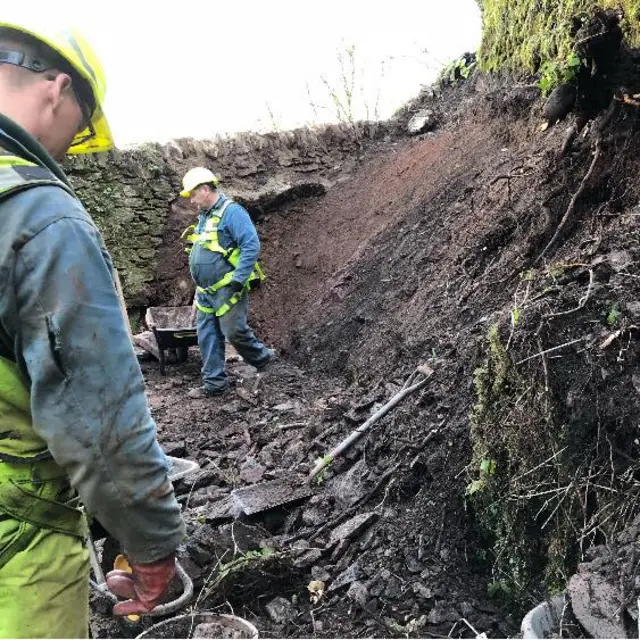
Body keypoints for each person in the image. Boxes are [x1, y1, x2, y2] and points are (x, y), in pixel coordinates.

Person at [0, 20, 185, 638]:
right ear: (56, 89)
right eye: (77, 131)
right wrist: (150, 542)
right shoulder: (38, 217)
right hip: (18, 545)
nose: (62, 152)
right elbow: (97, 416)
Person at [180, 168, 276, 398]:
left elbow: (250, 245)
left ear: (205, 189)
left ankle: (262, 358)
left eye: (193, 194)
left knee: (234, 331)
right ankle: (214, 384)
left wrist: (239, 278)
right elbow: (204, 255)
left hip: (227, 287)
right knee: (207, 336)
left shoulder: (232, 213)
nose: (191, 200)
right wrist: (196, 294)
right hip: (205, 292)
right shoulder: (205, 217)